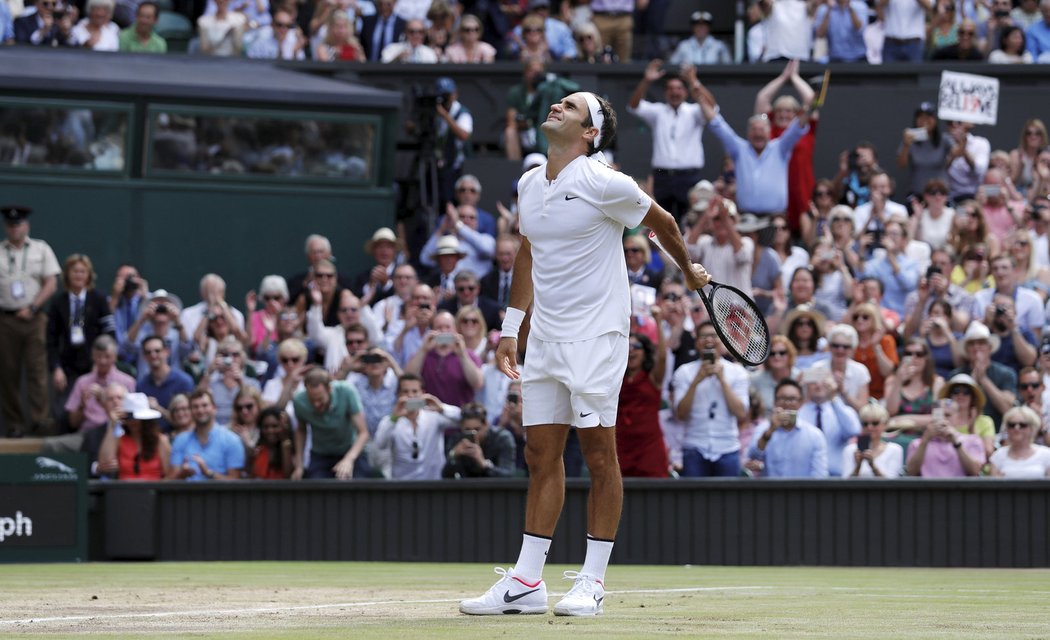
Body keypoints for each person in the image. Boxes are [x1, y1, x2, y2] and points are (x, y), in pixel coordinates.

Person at [460, 90, 710, 617]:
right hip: (546, 339)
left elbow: (662, 222)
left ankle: (592, 582)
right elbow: (527, 250)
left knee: (598, 455)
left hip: (598, 338)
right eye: (558, 102)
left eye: (571, 107)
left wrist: (687, 269)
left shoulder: (605, 181)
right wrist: (511, 327)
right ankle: (527, 581)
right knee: (539, 455)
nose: (557, 107)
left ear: (591, 132)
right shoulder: (530, 183)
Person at [701, 87, 811, 219]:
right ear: (748, 133)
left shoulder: (780, 147)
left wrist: (813, 102)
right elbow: (717, 124)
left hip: (775, 218)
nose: (758, 133)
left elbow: (798, 126)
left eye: (762, 130)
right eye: (754, 129)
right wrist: (699, 99)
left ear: (769, 132)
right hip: (746, 217)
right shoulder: (739, 149)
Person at [0, 205, 60, 438]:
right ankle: (14, 424)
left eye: (19, 224)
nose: (15, 228)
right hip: (5, 319)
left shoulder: (41, 249)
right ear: (6, 226)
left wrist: (33, 306)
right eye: (11, 224)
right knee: (8, 373)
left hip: (35, 318)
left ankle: (40, 421)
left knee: (37, 371)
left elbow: (51, 283)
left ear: (27, 225)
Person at [626, 60, 711, 223]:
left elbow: (712, 109)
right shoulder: (658, 112)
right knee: (661, 224)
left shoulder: (694, 112)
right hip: (662, 178)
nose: (675, 92)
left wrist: (694, 82)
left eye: (679, 88)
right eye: (671, 89)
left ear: (685, 92)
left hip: (689, 177)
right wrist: (647, 81)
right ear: (665, 93)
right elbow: (633, 106)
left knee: (690, 222)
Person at [672, 321, 750, 477]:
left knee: (729, 500)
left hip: (727, 448)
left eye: (714, 336)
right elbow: (680, 415)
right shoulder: (684, 372)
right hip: (695, 447)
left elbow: (741, 413)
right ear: (696, 342)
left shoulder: (737, 372)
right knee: (694, 500)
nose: (709, 340)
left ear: (722, 340)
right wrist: (696, 381)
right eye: (703, 336)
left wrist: (722, 380)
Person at [45, 335, 135, 454]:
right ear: (93, 356)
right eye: (99, 356)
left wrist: (105, 401)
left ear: (115, 357)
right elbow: (73, 423)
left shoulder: (128, 381)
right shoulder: (82, 382)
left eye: (107, 356)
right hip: (87, 433)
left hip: (117, 433)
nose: (102, 361)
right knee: (50, 445)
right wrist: (82, 405)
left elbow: (132, 418)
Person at [46, 254, 115, 410]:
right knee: (65, 411)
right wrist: (56, 368)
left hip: (94, 363)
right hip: (67, 365)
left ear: (89, 275)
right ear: (67, 274)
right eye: (75, 271)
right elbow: (51, 339)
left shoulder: (99, 299)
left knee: (94, 408)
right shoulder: (58, 302)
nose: (78, 275)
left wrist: (101, 363)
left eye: (82, 271)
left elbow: (109, 333)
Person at [374, 373, 462, 479]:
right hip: (402, 486)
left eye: (415, 391)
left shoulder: (434, 416)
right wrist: (394, 419)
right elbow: (380, 444)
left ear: (422, 393)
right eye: (405, 391)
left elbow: (462, 419)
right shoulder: (390, 421)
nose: (410, 396)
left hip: (434, 483)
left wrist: (441, 407)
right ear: (398, 394)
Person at [291, 367, 370, 480]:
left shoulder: (346, 391)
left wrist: (348, 460)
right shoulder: (299, 401)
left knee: (358, 486)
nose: (316, 404)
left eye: (320, 399)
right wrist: (299, 465)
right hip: (321, 455)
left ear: (329, 389)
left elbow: (363, 433)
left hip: (351, 450)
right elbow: (301, 430)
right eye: (312, 400)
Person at [746, 379, 828, 478]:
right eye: (782, 398)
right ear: (775, 402)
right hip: (771, 491)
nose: (787, 403)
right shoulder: (763, 429)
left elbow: (820, 475)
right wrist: (770, 431)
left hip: (803, 491)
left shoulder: (814, 435)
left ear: (801, 402)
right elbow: (754, 455)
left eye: (792, 399)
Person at [405, 310, 483, 407]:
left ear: (455, 330)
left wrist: (462, 355)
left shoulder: (469, 355)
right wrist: (423, 350)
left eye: (447, 327)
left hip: (459, 414)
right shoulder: (423, 354)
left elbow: (477, 384)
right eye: (439, 327)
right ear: (432, 330)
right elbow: (407, 378)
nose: (444, 331)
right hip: (430, 413)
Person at [798, 367, 861, 477]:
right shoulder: (800, 413)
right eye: (813, 381)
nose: (818, 385)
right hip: (806, 479)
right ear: (806, 385)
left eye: (823, 381)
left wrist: (834, 398)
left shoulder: (841, 409)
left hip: (837, 477)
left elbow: (853, 430)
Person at [168, 390, 245, 480]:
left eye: (204, 405)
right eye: (195, 407)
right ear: (191, 411)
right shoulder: (180, 440)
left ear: (214, 408)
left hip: (219, 493)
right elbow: (172, 480)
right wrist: (183, 474)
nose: (200, 410)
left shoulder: (232, 440)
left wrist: (208, 473)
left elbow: (235, 481)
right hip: (188, 492)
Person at [97, 392, 170, 480]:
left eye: (137, 418)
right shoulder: (120, 440)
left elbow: (169, 474)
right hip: (125, 490)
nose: (133, 422)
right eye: (129, 418)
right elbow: (106, 463)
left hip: (153, 490)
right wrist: (113, 425)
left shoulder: (160, 440)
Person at [905, 398, 985, 477]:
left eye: (947, 415)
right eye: (939, 415)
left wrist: (956, 443)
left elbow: (975, 471)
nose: (942, 419)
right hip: (928, 488)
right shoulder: (918, 444)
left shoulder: (973, 440)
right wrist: (925, 440)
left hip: (960, 488)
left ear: (958, 417)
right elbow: (911, 472)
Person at [135, 335, 194, 432]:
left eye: (157, 351)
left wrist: (158, 409)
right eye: (148, 352)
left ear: (167, 352)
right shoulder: (141, 385)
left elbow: (190, 420)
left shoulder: (184, 382)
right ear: (144, 356)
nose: (153, 355)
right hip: (152, 439)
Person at [442, 402, 517, 478]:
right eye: (467, 430)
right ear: (461, 428)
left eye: (477, 429)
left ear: (486, 425)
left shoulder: (502, 438)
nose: (473, 434)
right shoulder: (456, 439)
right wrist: (453, 455)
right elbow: (445, 477)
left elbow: (508, 475)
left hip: (493, 488)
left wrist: (484, 464)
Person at [843, 404, 905, 478]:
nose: (869, 427)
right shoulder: (850, 450)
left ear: (885, 425)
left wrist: (872, 465)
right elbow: (845, 485)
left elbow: (891, 485)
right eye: (865, 424)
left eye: (875, 423)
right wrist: (858, 466)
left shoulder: (895, 449)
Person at [989, 406, 1050, 477]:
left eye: (1022, 425)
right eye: (1012, 425)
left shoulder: (1046, 455)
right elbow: (994, 486)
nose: (1016, 428)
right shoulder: (998, 455)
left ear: (1033, 428)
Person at [249, 406, 294, 479]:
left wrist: (284, 438)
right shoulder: (259, 450)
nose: (270, 430)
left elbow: (288, 475)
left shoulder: (291, 446)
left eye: (275, 426)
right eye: (265, 427)